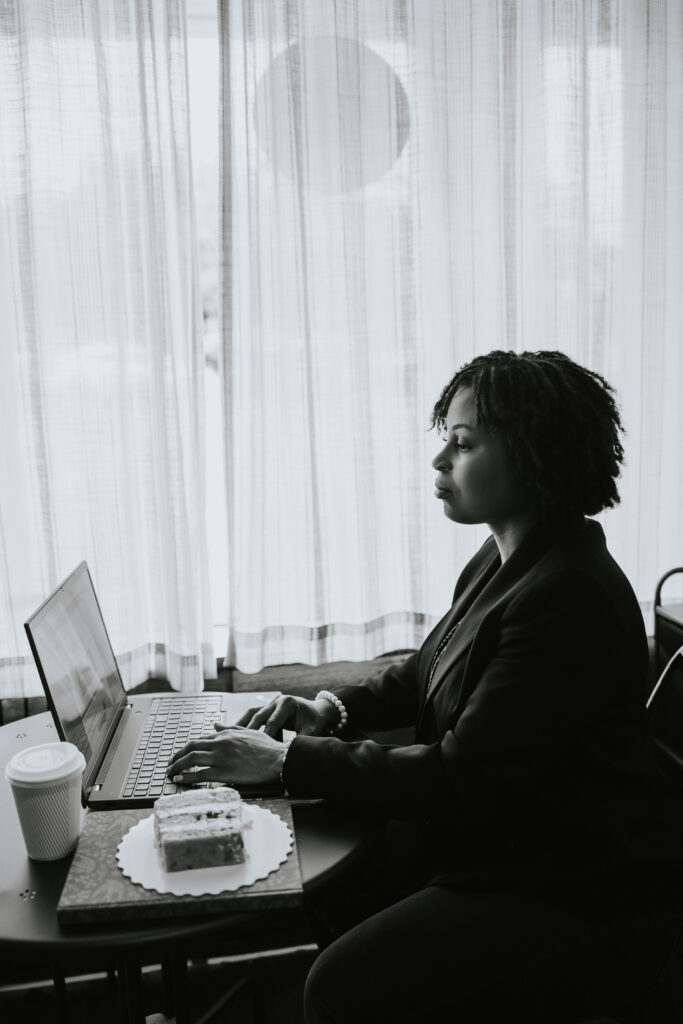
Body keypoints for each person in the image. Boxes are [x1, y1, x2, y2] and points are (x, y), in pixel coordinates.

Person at [167, 350, 683, 1023]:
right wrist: (326, 708)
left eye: (462, 444)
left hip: (563, 880)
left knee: (336, 987)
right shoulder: (506, 555)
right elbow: (428, 668)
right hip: (498, 837)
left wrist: (285, 759)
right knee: (323, 879)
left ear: (534, 456)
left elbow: (458, 777)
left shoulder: (568, 596)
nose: (439, 461)